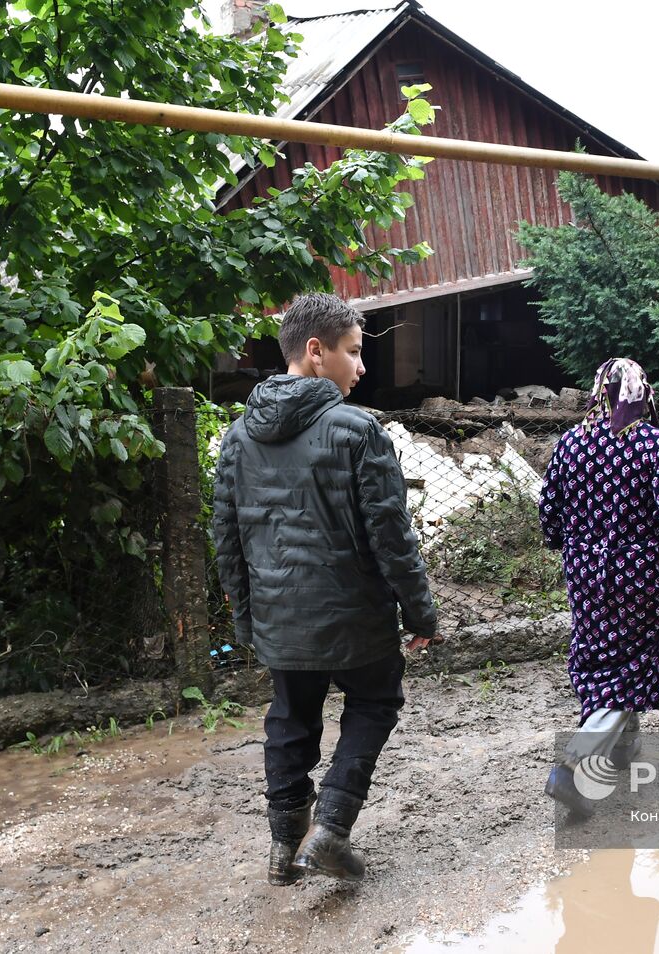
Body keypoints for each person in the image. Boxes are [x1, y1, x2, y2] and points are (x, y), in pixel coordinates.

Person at [211, 292, 440, 885]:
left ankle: (284, 848)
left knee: (290, 719)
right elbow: (393, 538)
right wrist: (421, 614)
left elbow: (226, 540)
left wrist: (248, 624)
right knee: (375, 701)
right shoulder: (358, 431)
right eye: (354, 352)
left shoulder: (237, 437)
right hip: (356, 618)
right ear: (316, 353)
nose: (361, 367)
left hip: (278, 617)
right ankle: (331, 830)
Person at [538, 357, 659, 817]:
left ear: (598, 394)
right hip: (641, 572)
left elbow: (549, 516)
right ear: (642, 394)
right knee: (633, 661)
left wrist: (576, 545)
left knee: (597, 653)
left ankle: (624, 750)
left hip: (586, 572)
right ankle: (573, 766)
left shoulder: (570, 444)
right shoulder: (655, 444)